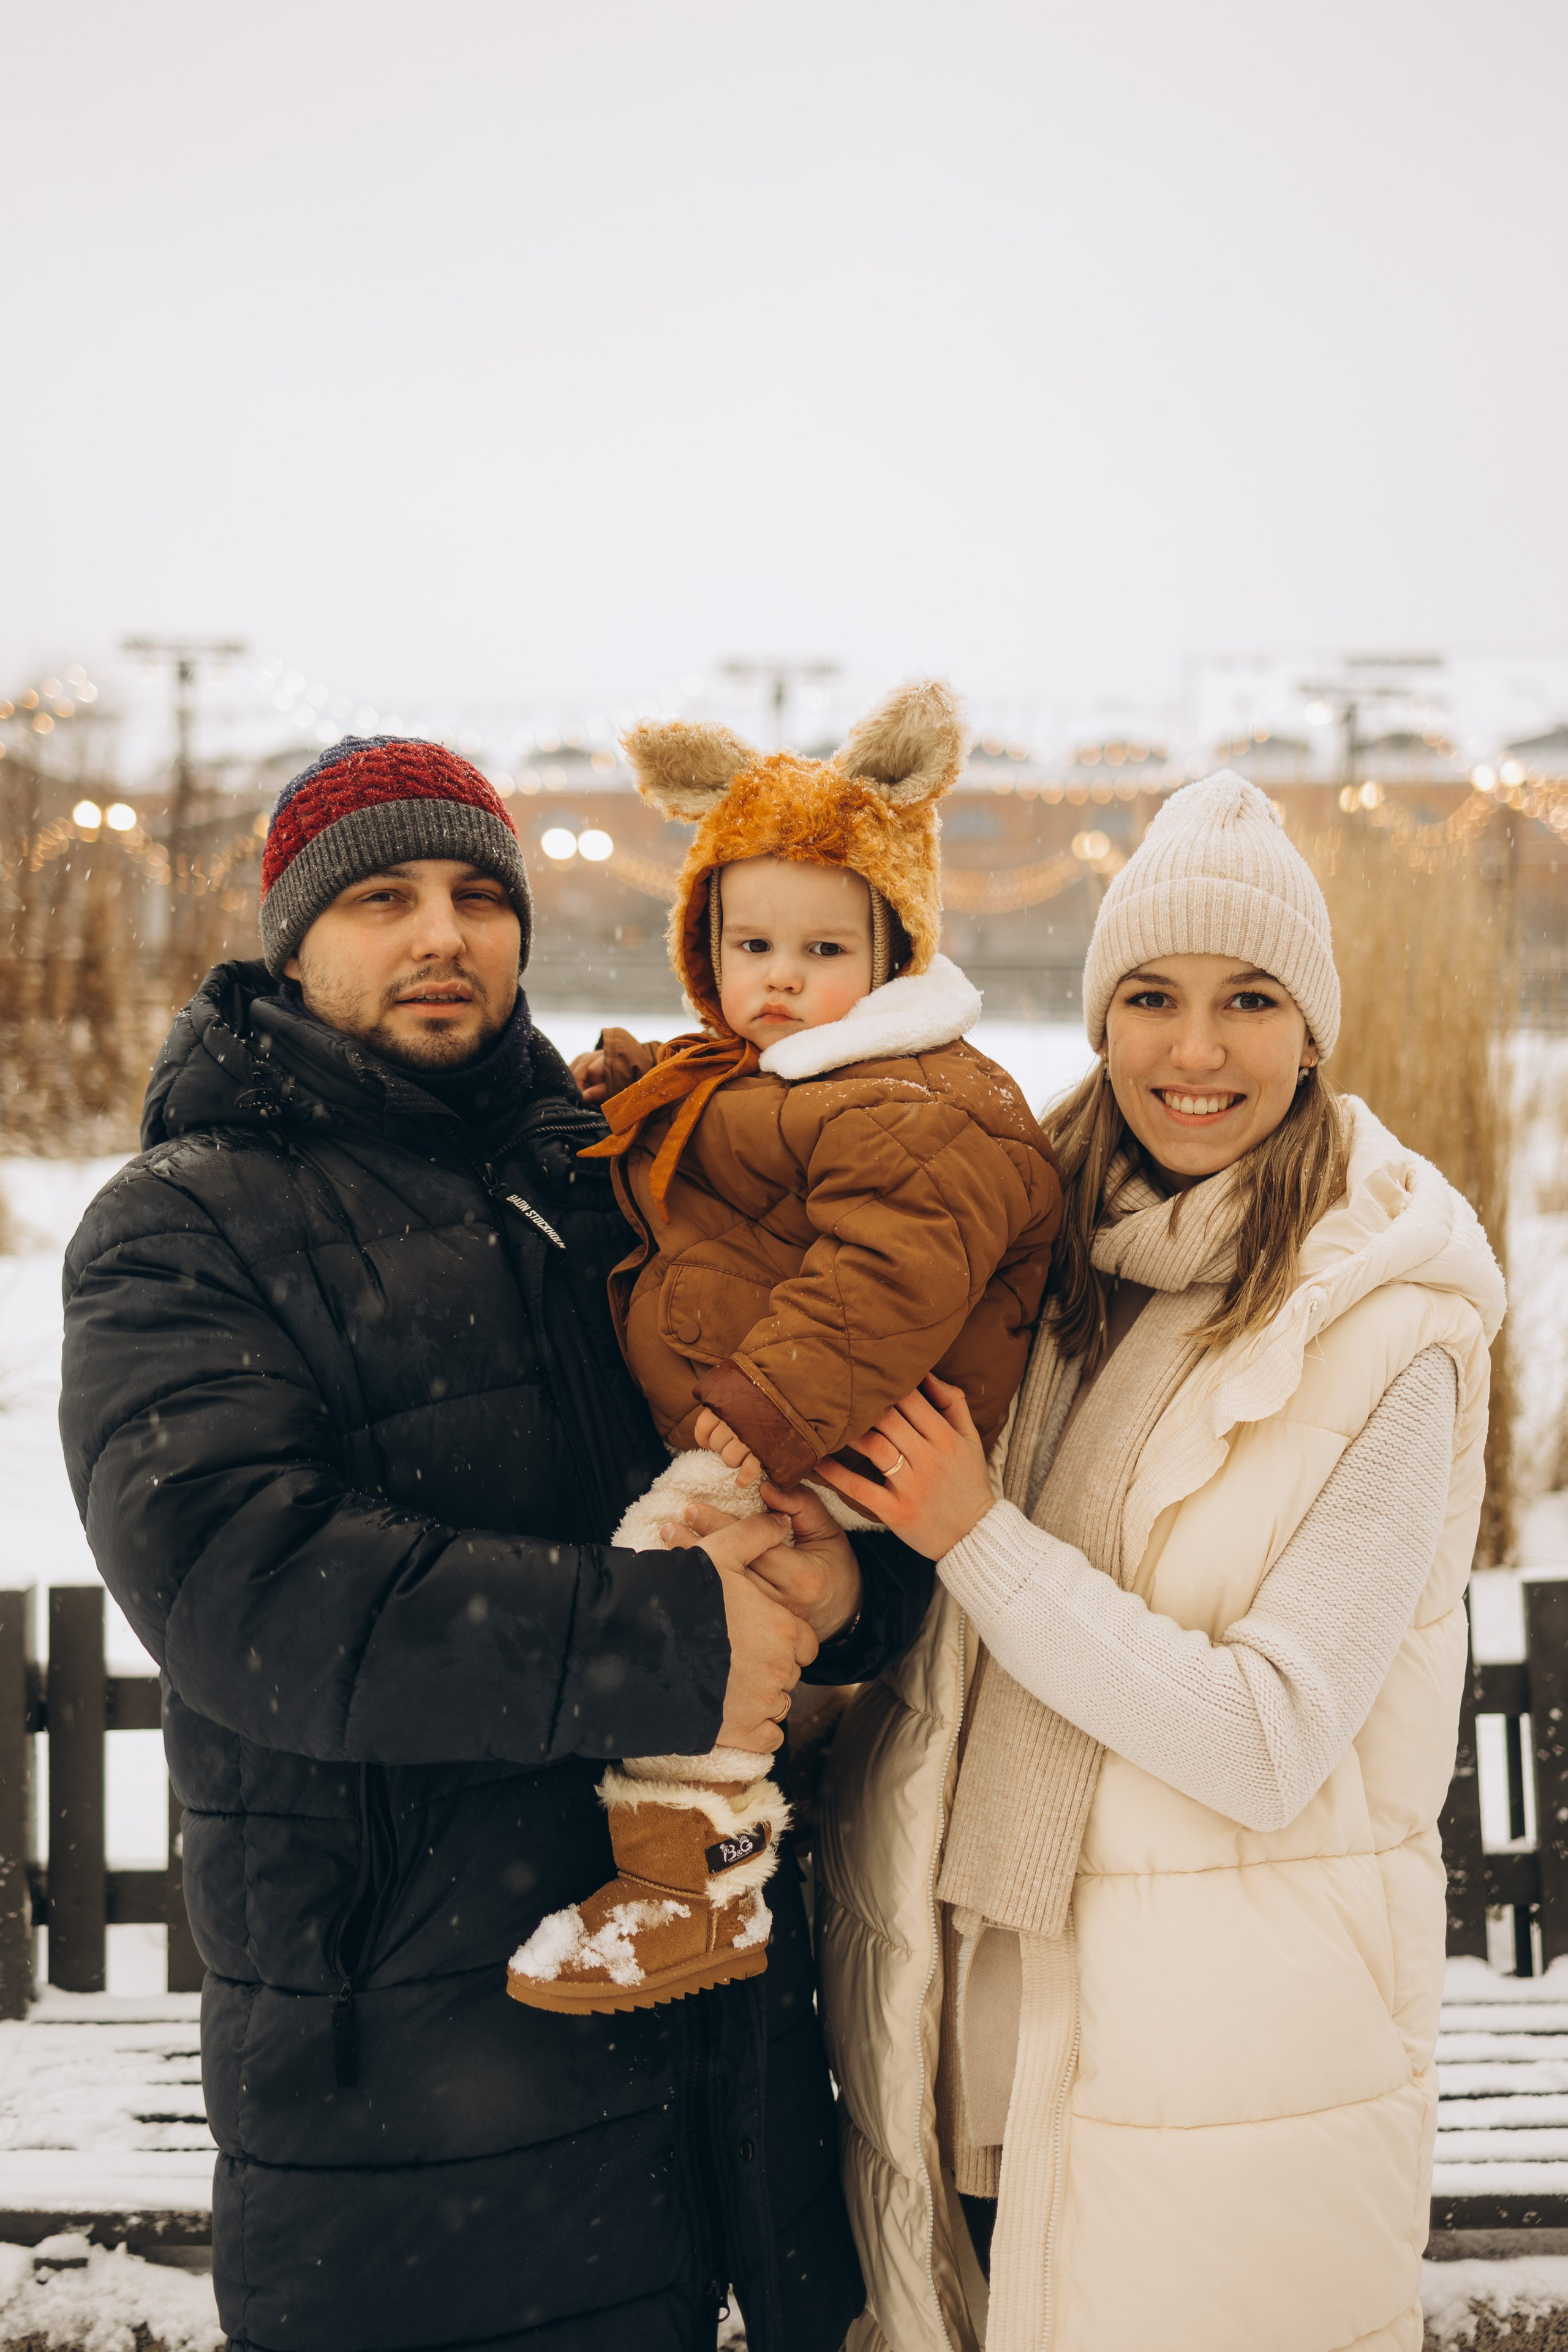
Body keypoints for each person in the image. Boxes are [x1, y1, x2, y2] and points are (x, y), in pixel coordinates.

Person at [58, 734, 932, 2352]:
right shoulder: (187, 1223)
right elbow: (255, 1586)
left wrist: (857, 1586)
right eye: (382, 898)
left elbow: (798, 1450)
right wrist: (677, 1644)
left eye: (477, 894)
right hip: (409, 2088)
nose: (440, 935)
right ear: (293, 937)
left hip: (713, 2068)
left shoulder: (620, 1177)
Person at [810, 771, 1506, 2352]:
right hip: (973, 2035)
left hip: (1227, 2066)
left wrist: (975, 1536)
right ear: (1103, 1017)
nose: (1196, 1053)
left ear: (1314, 1031)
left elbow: (1268, 1742)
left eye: (1250, 1001)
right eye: (1153, 998)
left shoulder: (1393, 1336)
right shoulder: (1034, 1261)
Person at [507, 682, 1061, 2017]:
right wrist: (624, 1089)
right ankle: (702, 1859)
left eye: (821, 950)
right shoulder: (773, 1077)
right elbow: (714, 1130)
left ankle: (692, 1882)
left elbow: (893, 1266)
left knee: (682, 1592)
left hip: (817, 1435)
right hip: (785, 1428)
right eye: (747, 945)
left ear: (890, 956)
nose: (780, 978)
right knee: (706, 1612)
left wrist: (768, 1405)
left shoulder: (914, 1097)